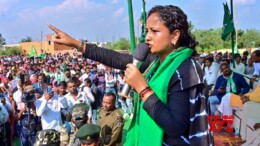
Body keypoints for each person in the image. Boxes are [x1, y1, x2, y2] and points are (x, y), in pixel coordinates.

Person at [48, 5, 211, 145]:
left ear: (175, 35)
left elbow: (175, 126)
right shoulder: (156, 64)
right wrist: (77, 44)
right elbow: (116, 58)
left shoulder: (186, 69)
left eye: (154, 31)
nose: (147, 37)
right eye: (147, 31)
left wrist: (143, 88)